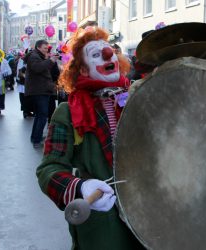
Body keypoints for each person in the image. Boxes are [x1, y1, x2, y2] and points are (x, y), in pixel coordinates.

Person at [36, 27, 144, 249]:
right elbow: (49, 170)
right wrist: (80, 188)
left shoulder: (139, 98)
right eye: (96, 54)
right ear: (83, 70)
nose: (107, 55)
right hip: (103, 220)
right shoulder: (68, 112)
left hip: (148, 212)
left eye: (110, 51)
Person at [24, 40, 59, 148]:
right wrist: (51, 60)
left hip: (42, 89)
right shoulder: (34, 56)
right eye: (44, 48)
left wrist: (49, 59)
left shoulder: (38, 56)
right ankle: (36, 139)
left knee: (40, 115)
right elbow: (38, 68)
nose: (46, 49)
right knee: (42, 115)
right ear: (38, 47)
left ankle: (36, 137)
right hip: (39, 90)